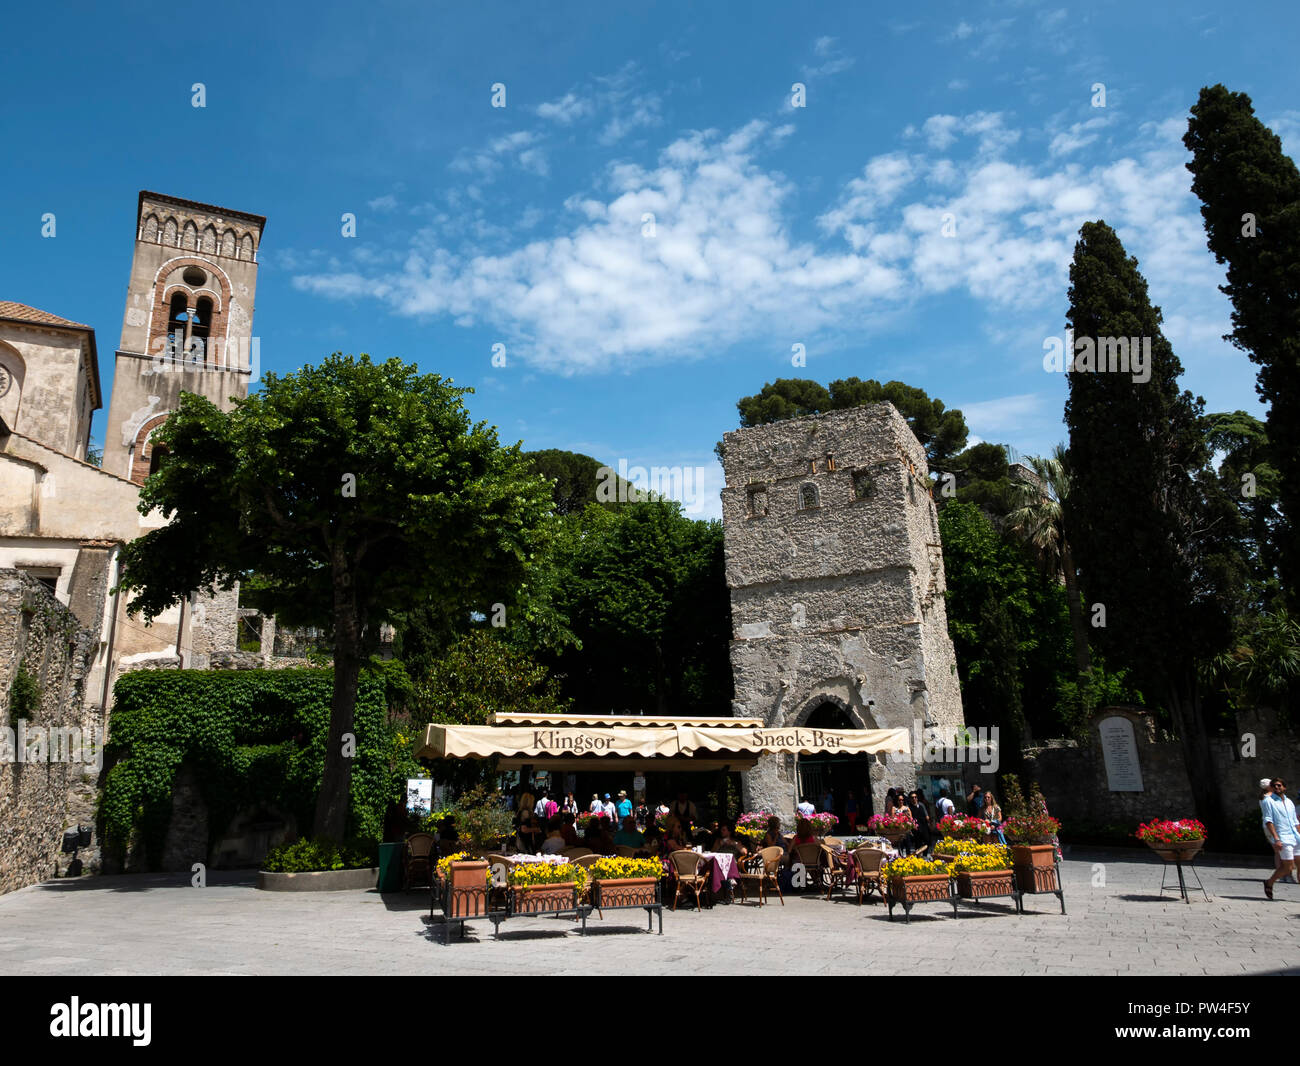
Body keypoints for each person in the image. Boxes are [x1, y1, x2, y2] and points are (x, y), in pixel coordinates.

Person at [1263, 778, 1299, 900]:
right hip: (1283, 837)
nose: (1277, 787)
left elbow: (1295, 821)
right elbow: (1268, 821)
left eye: (1279, 785)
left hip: (1295, 836)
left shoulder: (1289, 802)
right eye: (1274, 786)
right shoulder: (1268, 801)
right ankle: (1269, 882)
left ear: (1284, 787)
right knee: (1288, 867)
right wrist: (1276, 839)